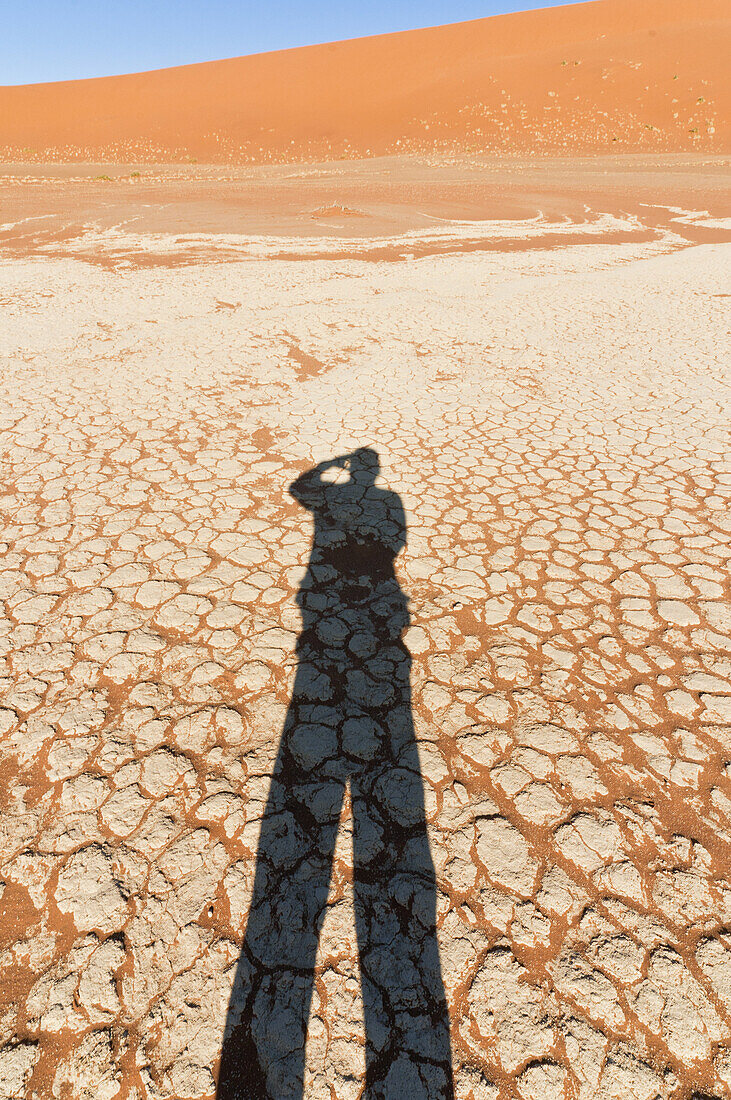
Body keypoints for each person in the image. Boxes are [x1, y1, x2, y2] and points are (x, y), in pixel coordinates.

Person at [217, 448, 453, 1099]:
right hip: (368, 618)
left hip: (327, 622)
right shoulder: (387, 505)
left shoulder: (351, 502)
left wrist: (332, 466)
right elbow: (387, 537)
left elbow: (302, 487)